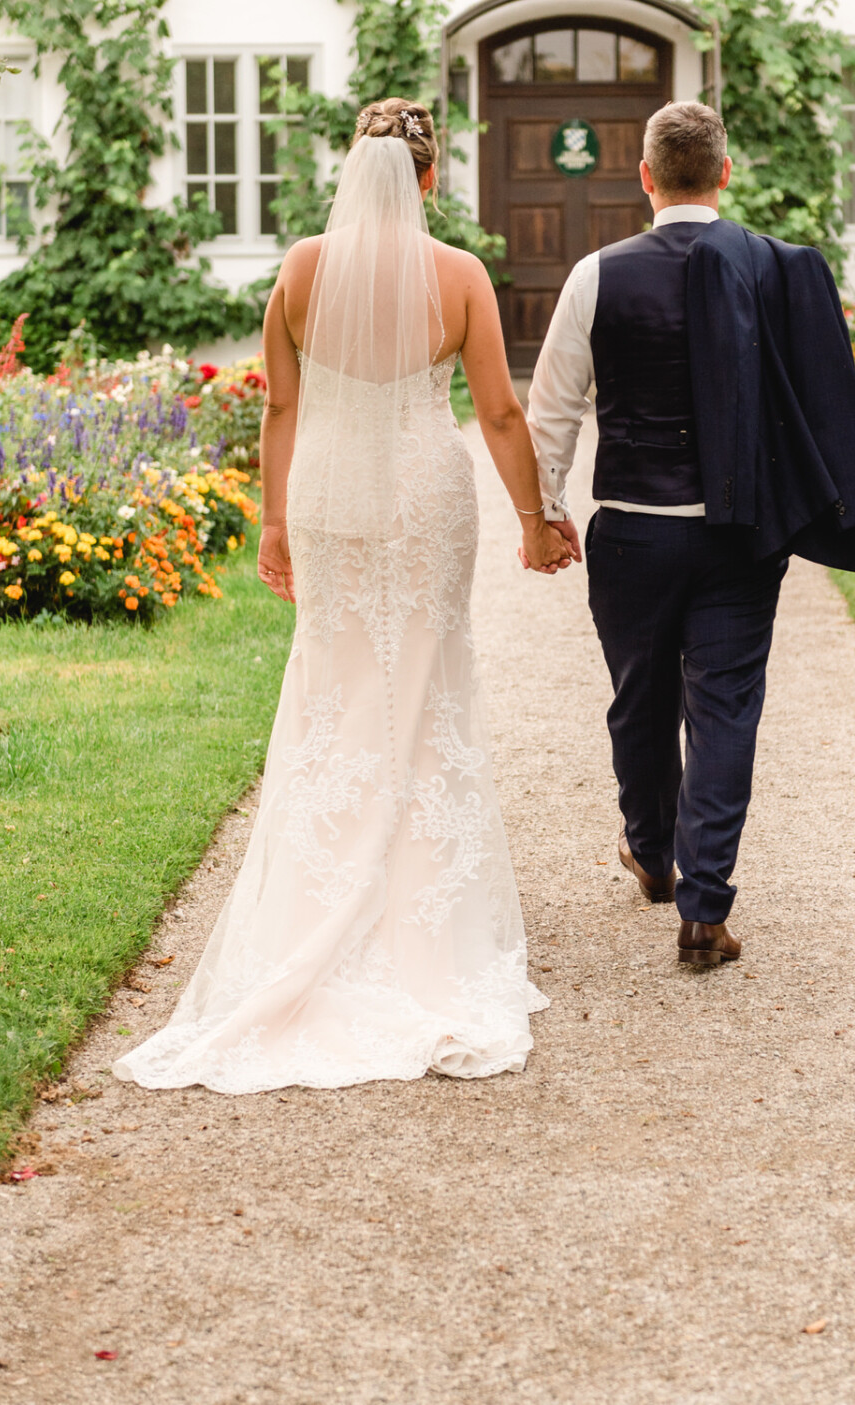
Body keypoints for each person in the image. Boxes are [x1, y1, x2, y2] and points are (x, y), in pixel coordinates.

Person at [115, 99, 572, 1094]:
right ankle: (422, 922)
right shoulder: (457, 277)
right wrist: (537, 518)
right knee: (425, 684)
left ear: (352, 171)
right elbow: (496, 410)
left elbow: (280, 405)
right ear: (430, 179)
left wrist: (273, 522)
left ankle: (321, 899)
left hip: (325, 491)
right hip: (421, 493)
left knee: (334, 683)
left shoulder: (299, 270)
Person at [526, 100, 855, 968]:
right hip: (740, 535)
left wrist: (545, 510)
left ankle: (652, 855)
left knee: (638, 697)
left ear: (646, 177)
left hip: (632, 535)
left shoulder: (596, 275)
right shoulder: (771, 270)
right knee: (725, 710)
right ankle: (706, 909)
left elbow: (552, 414)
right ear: (724, 173)